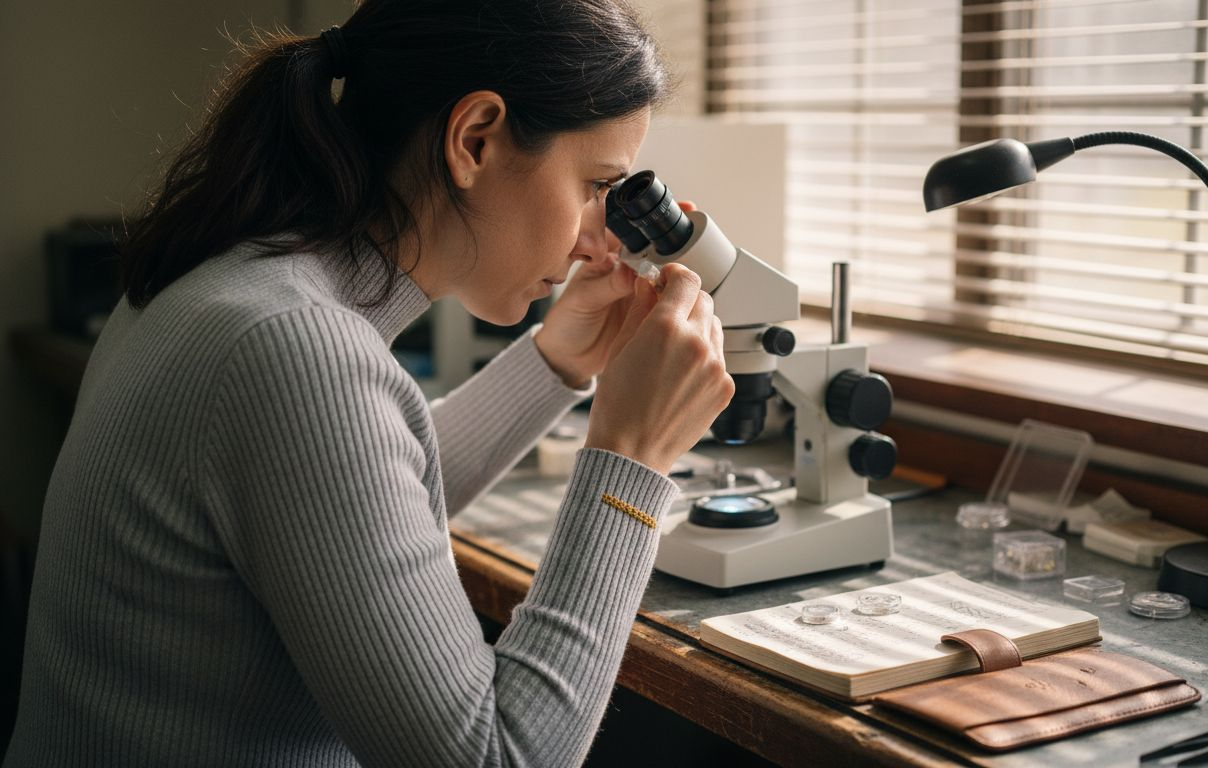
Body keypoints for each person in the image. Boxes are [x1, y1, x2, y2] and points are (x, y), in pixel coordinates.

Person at [3, 1, 733, 766]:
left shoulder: (228, 281)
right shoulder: (293, 349)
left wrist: (557, 363)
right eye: (595, 185)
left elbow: (343, 511)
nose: (601, 236)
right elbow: (498, 757)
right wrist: (632, 457)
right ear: (474, 139)